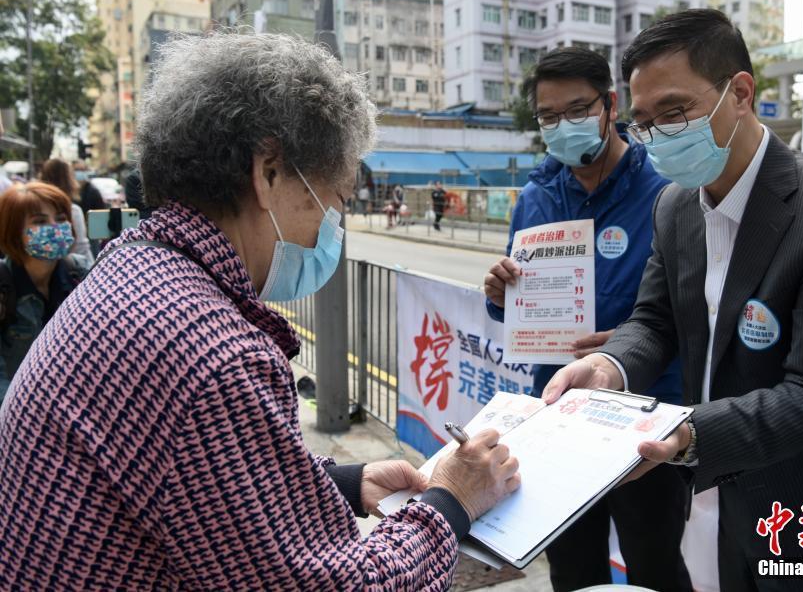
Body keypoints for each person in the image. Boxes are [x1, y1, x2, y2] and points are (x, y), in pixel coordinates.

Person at [0, 33, 520, 589]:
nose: (331, 231)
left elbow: (193, 488)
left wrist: (343, 483)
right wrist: (453, 499)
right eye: (335, 202)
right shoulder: (215, 355)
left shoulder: (134, 265)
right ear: (269, 172)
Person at [543, 9, 803, 591]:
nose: (658, 137)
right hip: (721, 502)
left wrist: (690, 434)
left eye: (675, 113)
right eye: (644, 122)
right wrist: (610, 364)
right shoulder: (676, 208)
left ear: (740, 92)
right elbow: (655, 320)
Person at [483, 47, 691, 592]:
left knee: (655, 564)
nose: (562, 126)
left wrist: (625, 345)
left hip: (644, 417)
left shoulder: (665, 190)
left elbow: (689, 311)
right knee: (572, 568)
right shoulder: (536, 197)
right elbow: (518, 297)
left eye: (576, 110)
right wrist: (500, 294)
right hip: (556, 418)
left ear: (610, 105)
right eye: (549, 117)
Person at [0, 183, 87, 401]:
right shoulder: (4, 285)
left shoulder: (81, 272)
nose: (55, 227)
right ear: (13, 232)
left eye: (60, 218)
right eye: (39, 222)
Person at [38, 158, 95, 263]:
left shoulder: (34, 209)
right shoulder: (73, 211)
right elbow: (82, 249)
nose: (52, 225)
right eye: (40, 221)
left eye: (60, 219)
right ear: (69, 179)